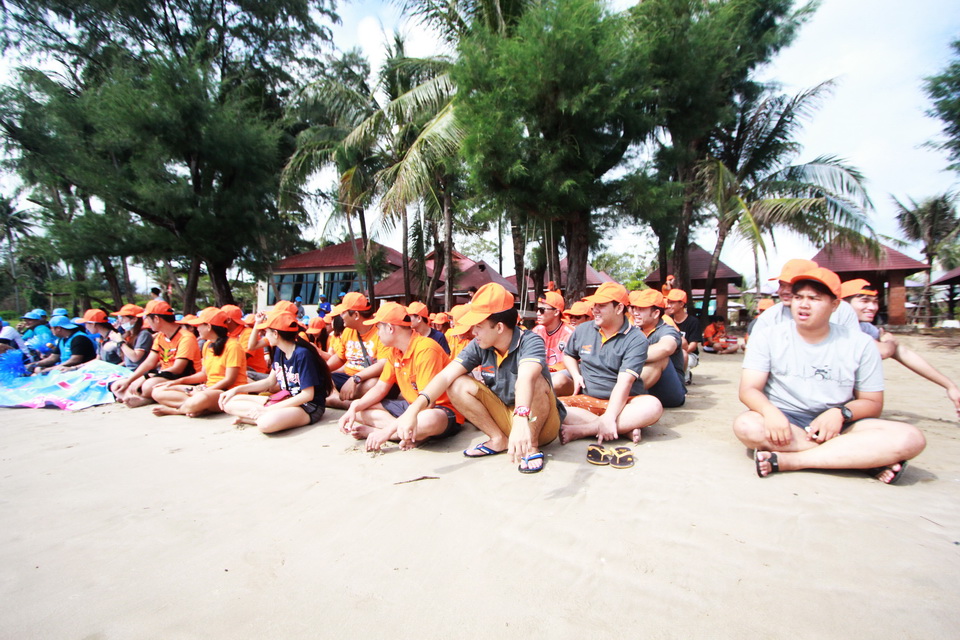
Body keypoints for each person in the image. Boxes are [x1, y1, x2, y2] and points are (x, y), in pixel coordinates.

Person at [733, 267, 926, 484]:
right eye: (798, 297)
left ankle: (793, 461)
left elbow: (872, 403)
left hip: (841, 423)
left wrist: (840, 413)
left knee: (911, 438)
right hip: (786, 419)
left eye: (814, 299)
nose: (803, 304)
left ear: (835, 305)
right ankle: (861, 459)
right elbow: (749, 389)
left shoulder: (860, 344)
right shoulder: (768, 337)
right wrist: (770, 413)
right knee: (747, 425)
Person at [394, 283, 564, 474]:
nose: (473, 332)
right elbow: (445, 376)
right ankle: (498, 439)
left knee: (536, 380)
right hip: (506, 416)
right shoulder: (480, 345)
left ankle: (531, 446)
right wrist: (413, 411)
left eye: (479, 326)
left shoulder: (530, 341)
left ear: (499, 327)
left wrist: (521, 418)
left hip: (538, 423)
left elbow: (525, 379)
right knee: (456, 384)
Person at [338, 302, 463, 451]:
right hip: (411, 406)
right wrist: (354, 407)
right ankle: (406, 433)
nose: (377, 333)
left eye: (378, 328)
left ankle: (392, 432)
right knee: (359, 411)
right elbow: (380, 388)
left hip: (439, 409)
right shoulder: (394, 351)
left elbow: (428, 403)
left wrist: (386, 432)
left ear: (390, 328)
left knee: (427, 420)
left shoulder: (426, 349)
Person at [558, 282, 664, 445]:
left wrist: (610, 415)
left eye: (601, 305)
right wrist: (576, 375)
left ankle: (586, 429)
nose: (595, 309)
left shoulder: (636, 339)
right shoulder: (583, 330)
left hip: (624, 402)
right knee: (553, 407)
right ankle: (623, 428)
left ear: (619, 308)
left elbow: (625, 382)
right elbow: (569, 355)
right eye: (594, 305)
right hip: (587, 399)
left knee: (653, 406)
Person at [841, 278, 960, 418]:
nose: (872, 307)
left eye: (875, 301)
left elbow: (903, 353)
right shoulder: (839, 323)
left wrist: (949, 386)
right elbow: (883, 351)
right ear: (843, 304)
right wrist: (890, 342)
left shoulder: (865, 327)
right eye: (864, 301)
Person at [220, 311, 333, 433]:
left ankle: (254, 417)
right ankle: (258, 415)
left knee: (265, 424)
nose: (265, 335)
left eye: (266, 332)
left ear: (275, 334)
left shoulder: (302, 354)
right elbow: (269, 382)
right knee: (229, 402)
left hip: (307, 406)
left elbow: (307, 395)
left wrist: (268, 410)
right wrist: (236, 389)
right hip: (285, 399)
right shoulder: (279, 351)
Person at [151, 307, 249, 417]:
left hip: (227, 392)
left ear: (209, 326)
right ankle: (195, 407)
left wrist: (205, 391)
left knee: (201, 398)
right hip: (207, 389)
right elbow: (204, 374)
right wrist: (177, 382)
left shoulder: (233, 346)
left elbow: (229, 380)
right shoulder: (207, 344)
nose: (197, 328)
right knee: (158, 391)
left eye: (199, 325)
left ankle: (180, 410)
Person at [110, 300, 202, 407]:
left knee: (148, 386)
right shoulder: (160, 336)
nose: (146, 322)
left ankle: (142, 398)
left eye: (147, 318)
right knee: (117, 385)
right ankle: (139, 397)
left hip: (183, 377)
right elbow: (149, 362)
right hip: (164, 375)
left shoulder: (186, 337)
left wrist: (148, 376)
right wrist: (129, 380)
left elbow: (178, 369)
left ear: (156, 319)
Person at [751, 258, 859, 335]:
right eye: (782, 285)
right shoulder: (770, 317)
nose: (784, 291)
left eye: (791, 285)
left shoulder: (842, 310)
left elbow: (854, 347)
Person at [324, 292, 390, 410]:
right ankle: (340, 399)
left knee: (374, 384)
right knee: (321, 377)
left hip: (366, 379)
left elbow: (383, 364)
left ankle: (336, 400)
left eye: (343, 312)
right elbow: (340, 357)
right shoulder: (348, 331)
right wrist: (322, 369)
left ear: (355, 315)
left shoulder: (379, 332)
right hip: (347, 377)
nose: (341, 316)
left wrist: (356, 378)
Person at [629, 289, 686, 408]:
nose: (635, 313)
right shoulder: (633, 331)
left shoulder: (667, 330)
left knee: (660, 358)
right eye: (635, 308)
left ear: (656, 313)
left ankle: (620, 394)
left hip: (670, 392)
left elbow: (666, 348)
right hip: (645, 390)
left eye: (641, 309)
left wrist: (627, 356)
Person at [533, 291, 576, 396]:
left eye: (542, 310)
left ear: (556, 312)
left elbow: (577, 367)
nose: (538, 313)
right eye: (537, 309)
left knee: (559, 380)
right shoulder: (536, 331)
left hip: (564, 379)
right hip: (542, 376)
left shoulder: (571, 333)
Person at [29, 315, 98, 374]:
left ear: (58, 328)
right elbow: (53, 358)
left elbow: (76, 359)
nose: (51, 330)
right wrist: (34, 364)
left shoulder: (79, 338)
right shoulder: (62, 339)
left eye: (51, 328)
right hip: (64, 369)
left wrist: (52, 369)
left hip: (79, 371)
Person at [664, 289, 701, 385]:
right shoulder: (667, 319)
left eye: (672, 302)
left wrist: (677, 354)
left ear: (681, 304)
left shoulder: (693, 322)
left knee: (683, 355)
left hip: (690, 354)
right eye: (668, 302)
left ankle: (684, 378)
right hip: (670, 352)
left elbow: (693, 345)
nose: (669, 305)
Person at [112, 304, 154, 370]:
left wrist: (121, 342)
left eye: (123, 318)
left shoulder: (144, 334)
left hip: (139, 371)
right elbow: (127, 360)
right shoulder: (129, 335)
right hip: (129, 370)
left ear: (134, 319)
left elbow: (135, 358)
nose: (120, 321)